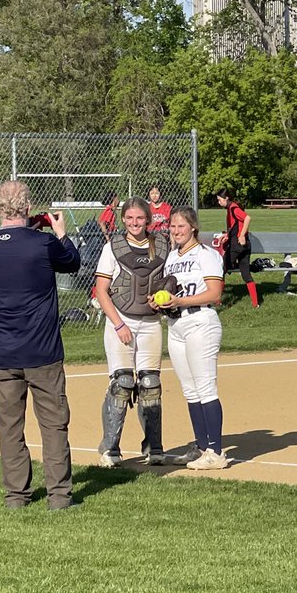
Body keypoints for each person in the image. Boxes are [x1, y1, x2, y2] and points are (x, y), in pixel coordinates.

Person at [0, 180, 81, 510]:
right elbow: (72, 262)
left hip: (3, 351)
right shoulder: (43, 244)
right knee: (52, 424)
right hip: (42, 350)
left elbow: (10, 250)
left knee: (9, 427)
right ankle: (59, 496)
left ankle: (16, 496)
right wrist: (59, 231)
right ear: (29, 206)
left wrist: (29, 229)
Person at [93, 197, 170, 466]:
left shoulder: (162, 244)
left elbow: (171, 279)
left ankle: (154, 447)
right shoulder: (112, 247)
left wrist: (166, 293)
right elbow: (102, 291)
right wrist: (119, 324)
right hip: (121, 321)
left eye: (140, 218)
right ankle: (110, 449)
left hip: (150, 323)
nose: (135, 223)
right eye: (129, 218)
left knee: (150, 384)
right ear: (123, 219)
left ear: (148, 219)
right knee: (122, 383)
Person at [151, 205, 228, 470]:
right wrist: (160, 301)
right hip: (177, 325)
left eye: (181, 226)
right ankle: (201, 446)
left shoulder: (206, 254)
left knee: (205, 387)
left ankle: (215, 452)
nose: (176, 230)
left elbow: (215, 293)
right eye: (172, 226)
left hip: (200, 322)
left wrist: (179, 300)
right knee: (190, 390)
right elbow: (170, 291)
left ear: (193, 227)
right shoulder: (172, 256)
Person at [215, 188, 260, 308]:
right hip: (245, 246)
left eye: (220, 200)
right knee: (246, 274)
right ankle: (255, 304)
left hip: (237, 246)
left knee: (221, 269)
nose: (219, 203)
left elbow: (247, 218)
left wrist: (241, 236)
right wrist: (227, 236)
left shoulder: (233, 208)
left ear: (226, 198)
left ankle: (217, 300)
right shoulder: (230, 208)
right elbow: (235, 226)